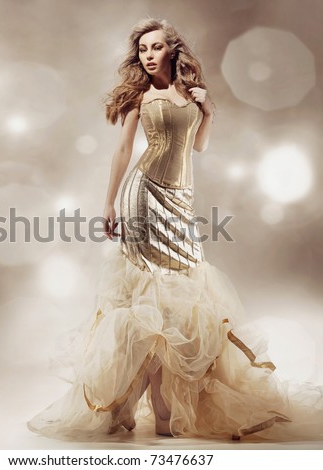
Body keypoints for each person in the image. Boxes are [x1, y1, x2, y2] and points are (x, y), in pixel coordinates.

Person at [27, 18, 323, 442]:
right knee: (151, 299)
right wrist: (109, 202)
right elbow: (124, 150)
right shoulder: (139, 97)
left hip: (180, 202)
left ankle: (164, 404)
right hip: (144, 196)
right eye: (142, 49)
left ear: (172, 51)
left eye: (155, 47)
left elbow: (198, 147)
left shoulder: (189, 94)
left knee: (183, 297)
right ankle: (156, 408)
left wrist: (208, 110)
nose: (148, 55)